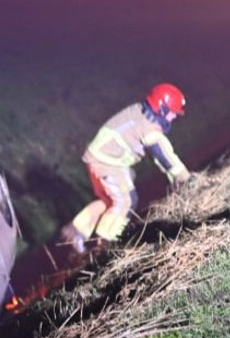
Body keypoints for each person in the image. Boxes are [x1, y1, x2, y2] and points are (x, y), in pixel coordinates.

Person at [63, 83, 192, 251]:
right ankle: (104, 245)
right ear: (162, 109)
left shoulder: (140, 112)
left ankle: (76, 231)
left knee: (111, 201)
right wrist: (185, 179)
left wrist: (174, 180)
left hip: (98, 158)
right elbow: (165, 157)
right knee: (126, 201)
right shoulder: (149, 128)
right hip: (108, 162)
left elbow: (159, 159)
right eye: (173, 113)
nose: (174, 117)